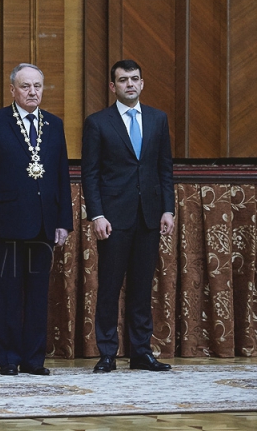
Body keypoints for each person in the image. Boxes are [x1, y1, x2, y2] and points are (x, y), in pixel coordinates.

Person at [0, 63, 73, 376]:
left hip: (44, 223)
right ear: (13, 90)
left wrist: (64, 222)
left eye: (38, 86)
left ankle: (34, 359)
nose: (33, 92)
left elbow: (61, 175)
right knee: (8, 293)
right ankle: (9, 358)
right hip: (6, 224)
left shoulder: (54, 125)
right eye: (26, 86)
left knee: (38, 295)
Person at [81, 59, 175, 373]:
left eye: (135, 79)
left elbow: (164, 170)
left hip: (149, 217)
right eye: (123, 80)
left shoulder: (158, 119)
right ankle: (107, 352)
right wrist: (97, 215)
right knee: (109, 286)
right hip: (113, 219)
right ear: (113, 86)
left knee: (141, 287)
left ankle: (140, 353)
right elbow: (90, 175)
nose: (130, 84)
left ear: (142, 82)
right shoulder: (98, 122)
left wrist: (168, 208)